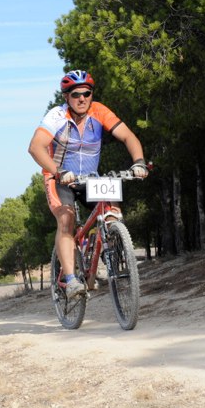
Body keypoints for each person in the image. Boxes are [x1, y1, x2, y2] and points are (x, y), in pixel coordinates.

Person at [28, 70, 149, 298]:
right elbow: (35, 147)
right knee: (66, 220)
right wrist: (58, 171)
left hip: (90, 178)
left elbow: (128, 136)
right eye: (76, 94)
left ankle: (109, 246)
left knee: (112, 212)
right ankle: (71, 280)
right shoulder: (57, 115)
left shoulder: (99, 111)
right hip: (59, 178)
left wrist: (139, 162)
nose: (82, 98)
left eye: (87, 93)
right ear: (66, 97)